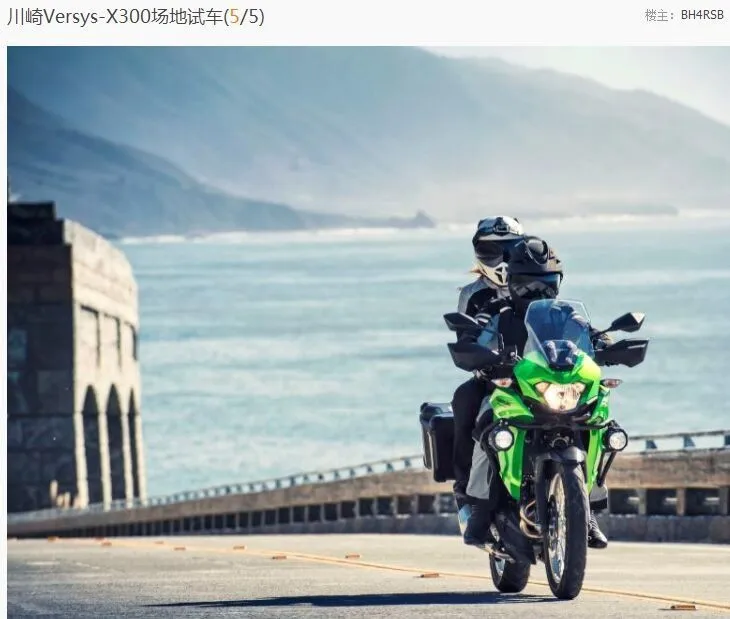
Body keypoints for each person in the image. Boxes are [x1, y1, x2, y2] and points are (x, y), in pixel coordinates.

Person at [458, 236, 611, 550]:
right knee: (487, 428)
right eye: (528, 286)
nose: (537, 293)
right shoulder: (498, 312)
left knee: (600, 425)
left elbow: (591, 334)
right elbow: (476, 337)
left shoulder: (565, 314)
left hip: (553, 389)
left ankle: (588, 509)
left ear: (558, 284)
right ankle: (480, 508)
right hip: (512, 389)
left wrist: (608, 345)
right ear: (513, 283)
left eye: (547, 285)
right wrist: (481, 354)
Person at [452, 216, 526, 513]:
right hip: (493, 376)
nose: (502, 259)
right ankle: (466, 492)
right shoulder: (472, 294)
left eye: (509, 249)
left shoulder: (538, 281)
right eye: (491, 251)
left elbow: (556, 317)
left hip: (537, 374)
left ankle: (587, 503)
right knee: (464, 401)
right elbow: (464, 338)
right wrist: (480, 353)